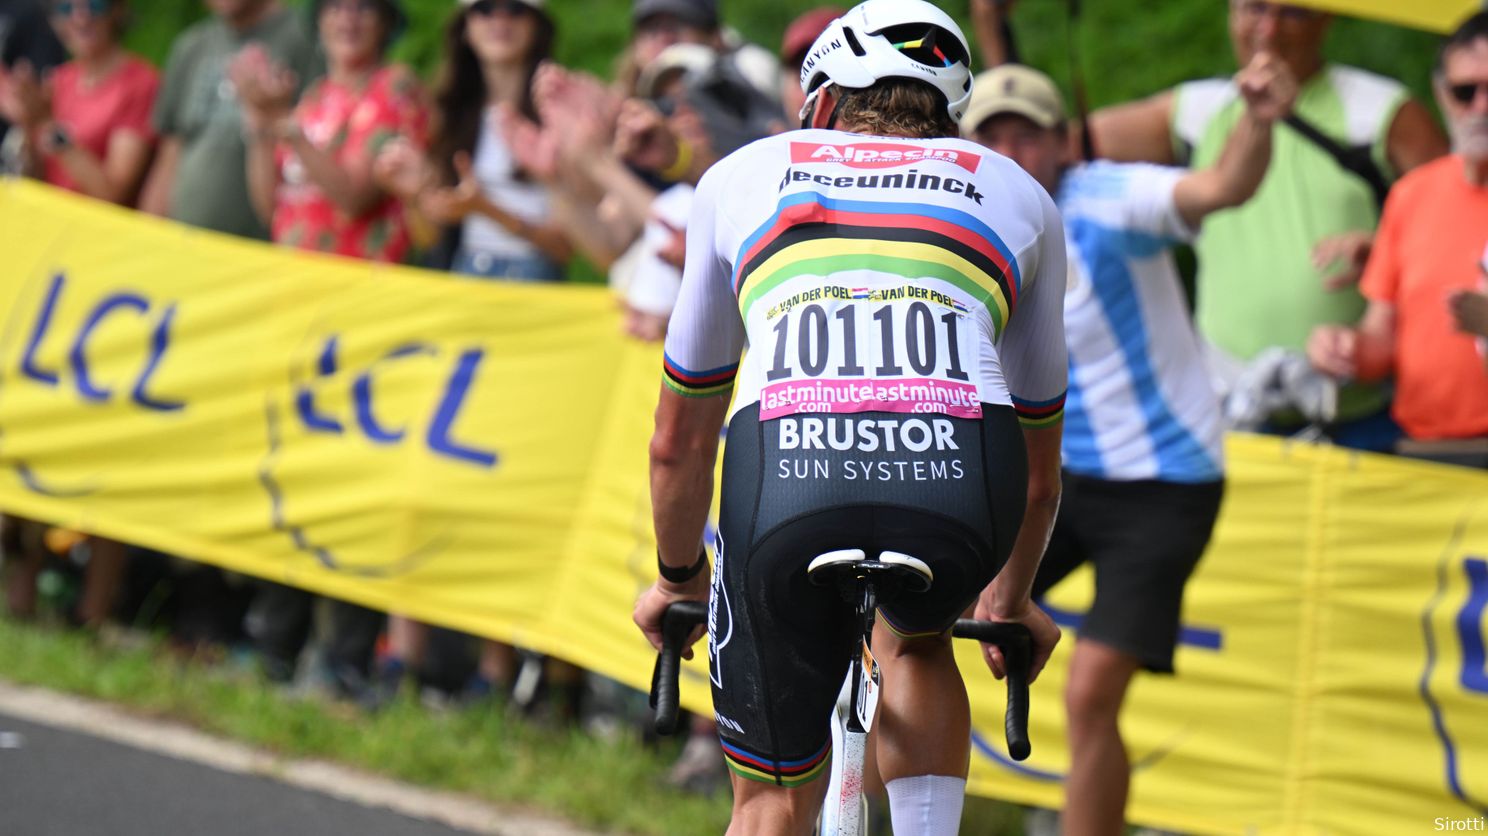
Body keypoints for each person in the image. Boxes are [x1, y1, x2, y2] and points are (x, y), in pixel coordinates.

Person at [632, 2, 1065, 833]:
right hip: (959, 468)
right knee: (922, 633)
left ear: (823, 100)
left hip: (788, 468)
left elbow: (676, 441)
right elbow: (1041, 472)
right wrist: (1008, 601)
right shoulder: (1018, 191)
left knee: (767, 801)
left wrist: (678, 578)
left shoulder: (742, 173)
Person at [963, 57, 1294, 836]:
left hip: (1164, 482)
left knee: (1089, 694)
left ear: (1064, 143)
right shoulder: (967, 225)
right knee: (913, 623)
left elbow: (1221, 188)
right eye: (992, 134)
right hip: (1060, 480)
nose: (1011, 150)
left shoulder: (1107, 196)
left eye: (1028, 133)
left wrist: (1259, 119)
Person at [1088, 0, 1448, 451]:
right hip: (1230, 410)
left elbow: (1458, 232)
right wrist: (996, 31)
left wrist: (1383, 252)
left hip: (1358, 411)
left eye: (1292, 12)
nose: (1269, 30)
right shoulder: (1195, 110)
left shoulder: (1381, 110)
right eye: (1253, 8)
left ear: (1327, 17)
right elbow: (1053, 147)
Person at [1307, 13, 1488, 464]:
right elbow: (1381, 339)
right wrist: (1344, 349)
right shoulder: (1412, 194)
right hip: (1423, 450)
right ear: (1442, 94)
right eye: (1465, 92)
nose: (1481, 107)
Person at [375, 0, 571, 281]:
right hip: (465, 278)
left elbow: (564, 248)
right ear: (465, 27)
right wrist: (414, 197)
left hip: (534, 284)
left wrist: (485, 209)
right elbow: (429, 240)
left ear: (537, 26)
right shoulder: (448, 114)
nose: (500, 21)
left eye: (515, 10)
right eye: (485, 9)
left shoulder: (559, 113)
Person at [233, 0, 427, 264]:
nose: (348, 20)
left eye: (364, 9)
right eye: (334, 7)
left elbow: (353, 198)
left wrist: (285, 124)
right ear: (319, 23)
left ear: (385, 23)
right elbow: (270, 208)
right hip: (298, 275)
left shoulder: (394, 85)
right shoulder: (315, 95)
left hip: (358, 281)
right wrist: (258, 119)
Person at [139, 0, 320, 239]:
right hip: (186, 243)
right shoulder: (191, 45)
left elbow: (324, 135)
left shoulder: (306, 36)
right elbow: (170, 152)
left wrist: (270, 116)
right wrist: (147, 235)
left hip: (267, 250)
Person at [0, 0, 158, 204]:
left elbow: (113, 194)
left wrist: (49, 126)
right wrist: (29, 124)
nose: (80, 18)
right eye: (66, 8)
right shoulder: (60, 79)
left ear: (117, 10)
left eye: (95, 5)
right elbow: (36, 178)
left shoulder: (141, 84)